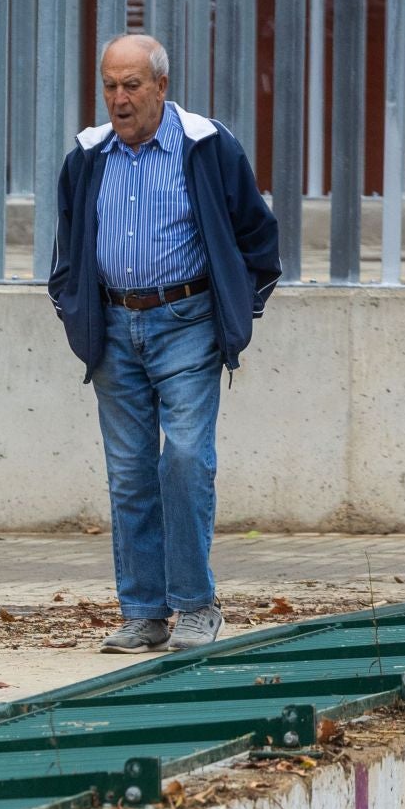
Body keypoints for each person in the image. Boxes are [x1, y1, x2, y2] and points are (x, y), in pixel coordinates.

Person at [48, 34, 280, 654]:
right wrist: (77, 315)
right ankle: (144, 612)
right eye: (109, 86)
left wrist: (237, 313)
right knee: (128, 475)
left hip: (188, 321)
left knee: (183, 459)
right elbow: (67, 254)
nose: (119, 100)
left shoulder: (207, 146)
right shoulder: (87, 156)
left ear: (161, 88)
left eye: (132, 86)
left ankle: (196, 605)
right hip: (115, 329)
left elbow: (260, 240)